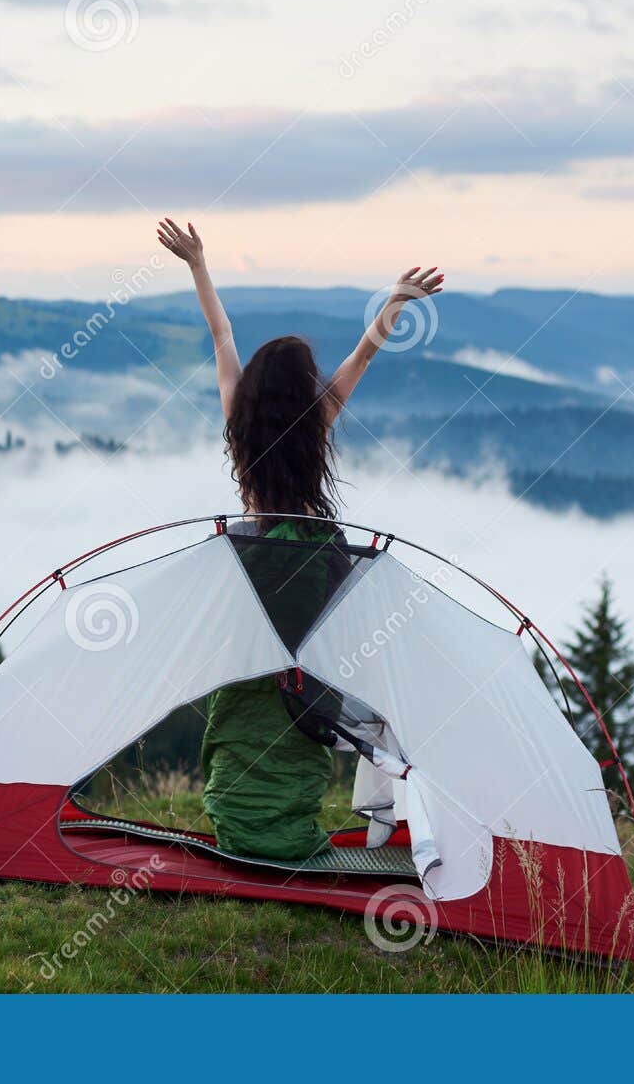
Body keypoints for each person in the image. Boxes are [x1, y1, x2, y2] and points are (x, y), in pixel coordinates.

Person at [155, 217, 443, 858]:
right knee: (304, 681)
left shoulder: (239, 421)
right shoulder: (318, 422)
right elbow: (364, 355)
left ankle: (249, 811)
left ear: (257, 390)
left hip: (254, 565)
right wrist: (394, 301)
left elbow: (221, 332)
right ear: (303, 390)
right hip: (317, 566)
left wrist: (198, 264)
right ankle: (309, 803)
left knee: (254, 678)